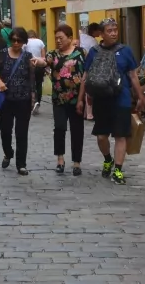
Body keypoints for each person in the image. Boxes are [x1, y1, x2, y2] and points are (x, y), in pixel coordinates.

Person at [79, 18, 145, 184]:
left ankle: (118, 170)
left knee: (120, 135)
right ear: (101, 34)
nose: (113, 33)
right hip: (101, 99)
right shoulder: (94, 51)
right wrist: (80, 99)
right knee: (101, 136)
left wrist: (140, 96)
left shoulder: (125, 51)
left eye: (115, 30)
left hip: (121, 99)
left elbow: (132, 75)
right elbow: (85, 76)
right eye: (109, 31)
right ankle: (107, 158)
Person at [0, 27, 45, 175]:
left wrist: (33, 96)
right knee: (5, 130)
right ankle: (8, 152)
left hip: (23, 99)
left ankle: (21, 164)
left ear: (23, 42)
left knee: (22, 132)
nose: (15, 43)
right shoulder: (2, 54)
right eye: (13, 40)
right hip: (6, 99)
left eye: (19, 40)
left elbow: (34, 75)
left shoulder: (28, 56)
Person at [48, 23, 86, 176]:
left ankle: (77, 162)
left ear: (70, 38)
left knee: (77, 130)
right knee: (59, 128)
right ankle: (60, 159)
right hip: (59, 98)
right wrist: (38, 62)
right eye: (56, 38)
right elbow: (45, 61)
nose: (58, 41)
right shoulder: (53, 54)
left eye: (61, 38)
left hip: (77, 99)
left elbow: (86, 73)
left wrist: (82, 99)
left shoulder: (81, 52)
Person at [25, 32, 47, 114]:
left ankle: (33, 101)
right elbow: (43, 56)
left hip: (29, 65)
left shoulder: (26, 42)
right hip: (39, 65)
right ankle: (38, 102)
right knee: (39, 84)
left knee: (31, 84)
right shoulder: (40, 42)